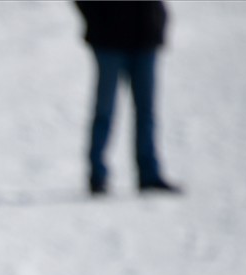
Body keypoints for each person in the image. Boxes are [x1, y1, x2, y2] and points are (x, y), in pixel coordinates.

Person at [76, 1, 180, 195]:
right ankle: (97, 175)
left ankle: (149, 174)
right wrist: (98, 19)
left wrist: (158, 20)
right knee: (104, 111)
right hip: (108, 41)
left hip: (144, 38)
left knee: (146, 112)